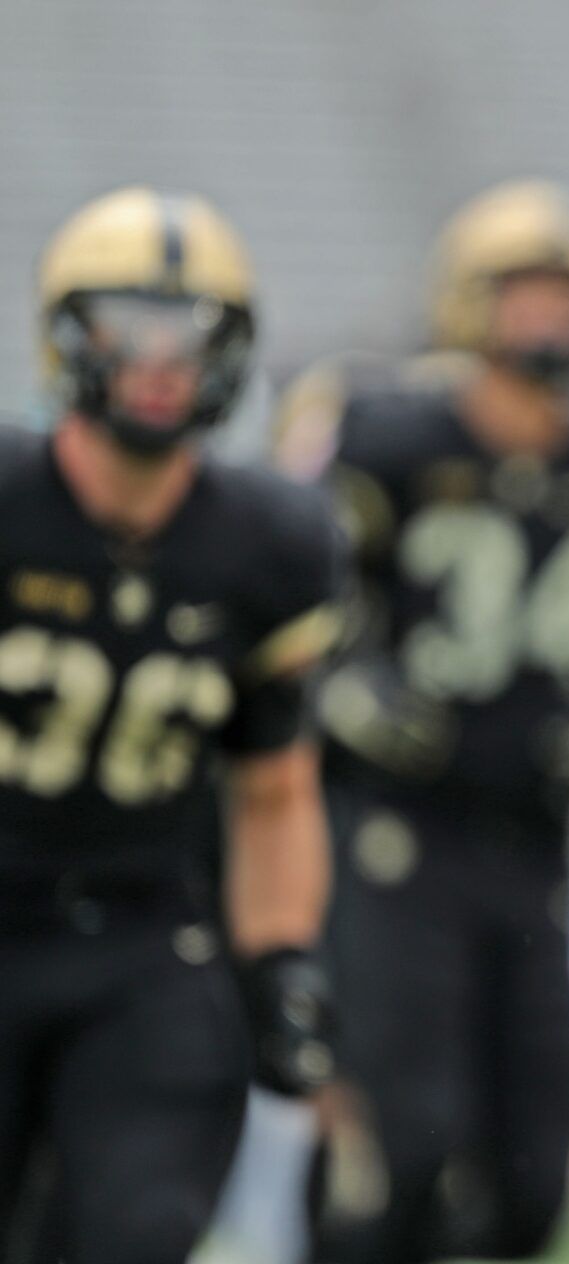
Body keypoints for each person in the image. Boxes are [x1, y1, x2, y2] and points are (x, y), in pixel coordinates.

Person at [298, 179, 569, 1263]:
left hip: (533, 849)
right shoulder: (386, 437)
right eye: (529, 295)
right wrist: (345, 688)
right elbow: (294, 605)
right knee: (403, 1152)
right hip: (391, 844)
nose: (553, 322)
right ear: (469, 302)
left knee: (534, 1181)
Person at [0, 187, 340, 1262]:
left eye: (191, 333)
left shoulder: (271, 542)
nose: (160, 359)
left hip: (150, 931)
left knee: (140, 1230)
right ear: (69, 336)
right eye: (129, 326)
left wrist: (282, 956)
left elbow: (274, 785)